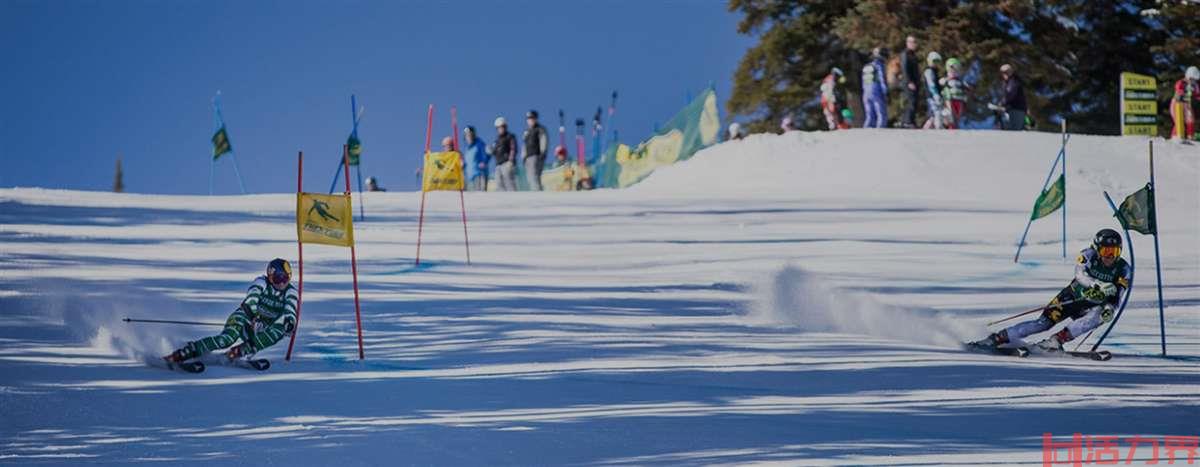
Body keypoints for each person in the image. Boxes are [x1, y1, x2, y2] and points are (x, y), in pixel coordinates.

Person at [970, 229, 1130, 353]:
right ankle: (997, 338)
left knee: (1099, 316)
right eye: (1105, 251)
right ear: (1097, 249)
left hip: (1090, 306)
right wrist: (1097, 284)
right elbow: (1080, 275)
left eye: (1114, 252)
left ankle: (1055, 341)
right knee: (1042, 324)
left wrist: (1110, 308)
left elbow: (1119, 294)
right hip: (1070, 298)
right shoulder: (1088, 255)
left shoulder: (1123, 268)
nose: (1109, 256)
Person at [165, 258, 299, 363]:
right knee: (227, 339)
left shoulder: (290, 292)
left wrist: (289, 322)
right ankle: (188, 351)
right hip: (244, 317)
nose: (281, 283)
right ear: (270, 277)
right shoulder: (261, 282)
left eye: (285, 278)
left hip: (260, 328)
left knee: (279, 331)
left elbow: (291, 309)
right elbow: (251, 299)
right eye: (277, 278)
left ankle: (239, 351)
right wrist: (254, 316)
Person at [521, 110, 549, 191]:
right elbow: (524, 145)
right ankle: (535, 192)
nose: (530, 120)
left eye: (532, 118)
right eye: (529, 118)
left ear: (536, 119)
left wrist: (543, 152)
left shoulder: (540, 129)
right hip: (528, 157)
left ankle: (537, 193)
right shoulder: (527, 132)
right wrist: (523, 156)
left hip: (536, 155)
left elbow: (544, 140)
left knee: (535, 176)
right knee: (530, 178)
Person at [862, 47, 889, 128]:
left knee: (869, 114)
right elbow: (881, 79)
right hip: (876, 90)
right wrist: (885, 92)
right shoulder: (879, 65)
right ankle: (881, 129)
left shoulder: (866, 66)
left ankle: (866, 130)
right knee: (881, 113)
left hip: (866, 92)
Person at [1171, 66, 1199, 142]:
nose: (1193, 81)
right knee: (1179, 120)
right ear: (1188, 76)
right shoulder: (1181, 83)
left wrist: (1196, 96)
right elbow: (1178, 89)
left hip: (1187, 104)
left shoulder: (1195, 85)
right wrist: (1183, 91)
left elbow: (1197, 95)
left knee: (1190, 119)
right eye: (1192, 79)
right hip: (1177, 104)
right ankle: (1176, 137)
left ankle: (1190, 136)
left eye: (1195, 80)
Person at [490, 117, 519, 191]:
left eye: (502, 127)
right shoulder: (497, 141)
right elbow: (494, 152)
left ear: (505, 127)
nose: (501, 129)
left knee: (509, 181)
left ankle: (513, 197)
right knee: (499, 182)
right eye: (499, 127)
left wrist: (511, 161)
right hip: (498, 165)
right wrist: (490, 150)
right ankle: (503, 198)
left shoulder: (510, 137)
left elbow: (513, 148)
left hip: (507, 163)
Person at [899, 36, 922, 128]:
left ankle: (911, 120)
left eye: (915, 42)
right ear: (907, 43)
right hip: (909, 83)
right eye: (912, 42)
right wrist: (909, 82)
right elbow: (905, 69)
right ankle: (907, 121)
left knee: (915, 101)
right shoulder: (905, 54)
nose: (914, 44)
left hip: (915, 82)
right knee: (911, 101)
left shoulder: (913, 54)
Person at [941, 57, 969, 129]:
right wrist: (946, 80)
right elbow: (941, 82)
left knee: (958, 115)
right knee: (951, 114)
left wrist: (966, 91)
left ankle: (955, 127)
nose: (954, 71)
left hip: (959, 100)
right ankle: (950, 127)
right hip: (950, 99)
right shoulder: (947, 79)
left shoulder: (960, 80)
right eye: (953, 68)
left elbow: (965, 88)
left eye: (957, 68)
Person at [998, 63, 1027, 131]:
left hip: (1017, 109)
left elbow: (1011, 95)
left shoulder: (1014, 81)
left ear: (1010, 72)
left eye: (1006, 72)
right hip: (1011, 109)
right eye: (1003, 73)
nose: (1004, 74)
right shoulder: (1007, 82)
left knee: (1014, 131)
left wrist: (1003, 102)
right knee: (1009, 129)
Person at [922, 52, 945, 129]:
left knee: (933, 114)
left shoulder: (935, 71)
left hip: (935, 96)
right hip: (932, 96)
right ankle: (937, 128)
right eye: (934, 61)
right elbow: (931, 84)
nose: (935, 63)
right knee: (936, 113)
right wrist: (935, 94)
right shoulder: (929, 71)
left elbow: (936, 84)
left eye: (937, 61)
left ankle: (931, 128)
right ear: (929, 60)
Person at [462, 126, 489, 191]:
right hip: (469, 177)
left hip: (479, 174)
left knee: (479, 196)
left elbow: (486, 153)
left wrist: (484, 162)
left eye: (470, 135)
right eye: (467, 136)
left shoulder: (479, 144)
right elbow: (467, 162)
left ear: (473, 135)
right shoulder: (467, 149)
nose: (469, 137)